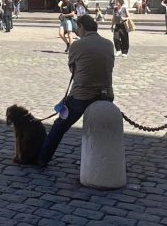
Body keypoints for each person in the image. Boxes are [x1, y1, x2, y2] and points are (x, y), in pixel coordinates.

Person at [37, 15, 115, 166]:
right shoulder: (108, 44)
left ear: (82, 27)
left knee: (59, 126)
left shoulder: (76, 46)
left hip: (82, 96)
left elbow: (73, 70)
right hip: (106, 95)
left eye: (78, 28)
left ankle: (42, 158)